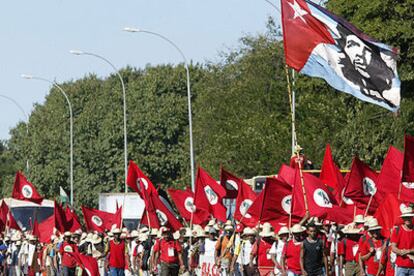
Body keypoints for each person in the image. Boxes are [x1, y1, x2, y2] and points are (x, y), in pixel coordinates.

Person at [391, 206, 414, 276]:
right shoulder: (397, 230)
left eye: (409, 217)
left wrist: (408, 251)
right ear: (403, 218)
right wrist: (406, 254)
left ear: (412, 217)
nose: (407, 219)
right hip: (401, 266)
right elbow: (393, 248)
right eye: (405, 217)